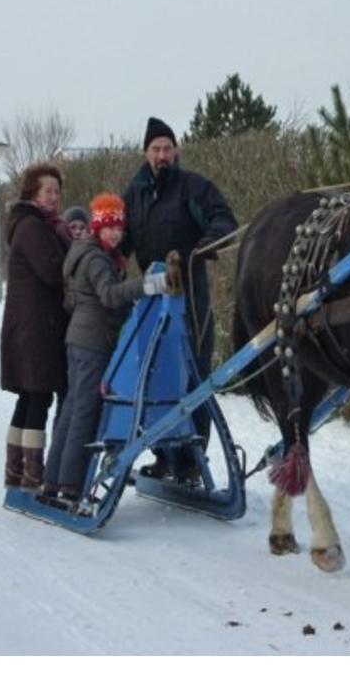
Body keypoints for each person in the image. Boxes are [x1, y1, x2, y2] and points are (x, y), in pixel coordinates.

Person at [120, 116, 237, 477]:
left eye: (167, 148)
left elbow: (224, 221)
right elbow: (120, 240)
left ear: (176, 151)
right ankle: (163, 454)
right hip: (152, 298)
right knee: (157, 376)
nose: (162, 155)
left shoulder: (192, 187)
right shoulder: (134, 193)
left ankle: (192, 457)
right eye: (156, 149)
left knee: (194, 375)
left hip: (190, 297)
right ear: (145, 152)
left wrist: (206, 244)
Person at [41, 193, 170, 501]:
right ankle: (70, 486)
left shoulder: (86, 253)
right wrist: (147, 284)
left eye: (119, 228)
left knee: (72, 410)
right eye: (110, 227)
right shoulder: (96, 258)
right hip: (92, 342)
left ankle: (54, 481)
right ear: (97, 227)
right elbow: (110, 295)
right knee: (83, 413)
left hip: (80, 340)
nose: (116, 233)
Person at [0, 163, 70, 490]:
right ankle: (32, 477)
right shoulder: (32, 227)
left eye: (57, 191)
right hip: (36, 328)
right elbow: (54, 271)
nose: (54, 197)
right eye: (48, 191)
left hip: (31, 326)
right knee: (38, 397)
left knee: (28, 398)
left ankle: (15, 472)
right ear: (33, 193)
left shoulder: (36, 225)